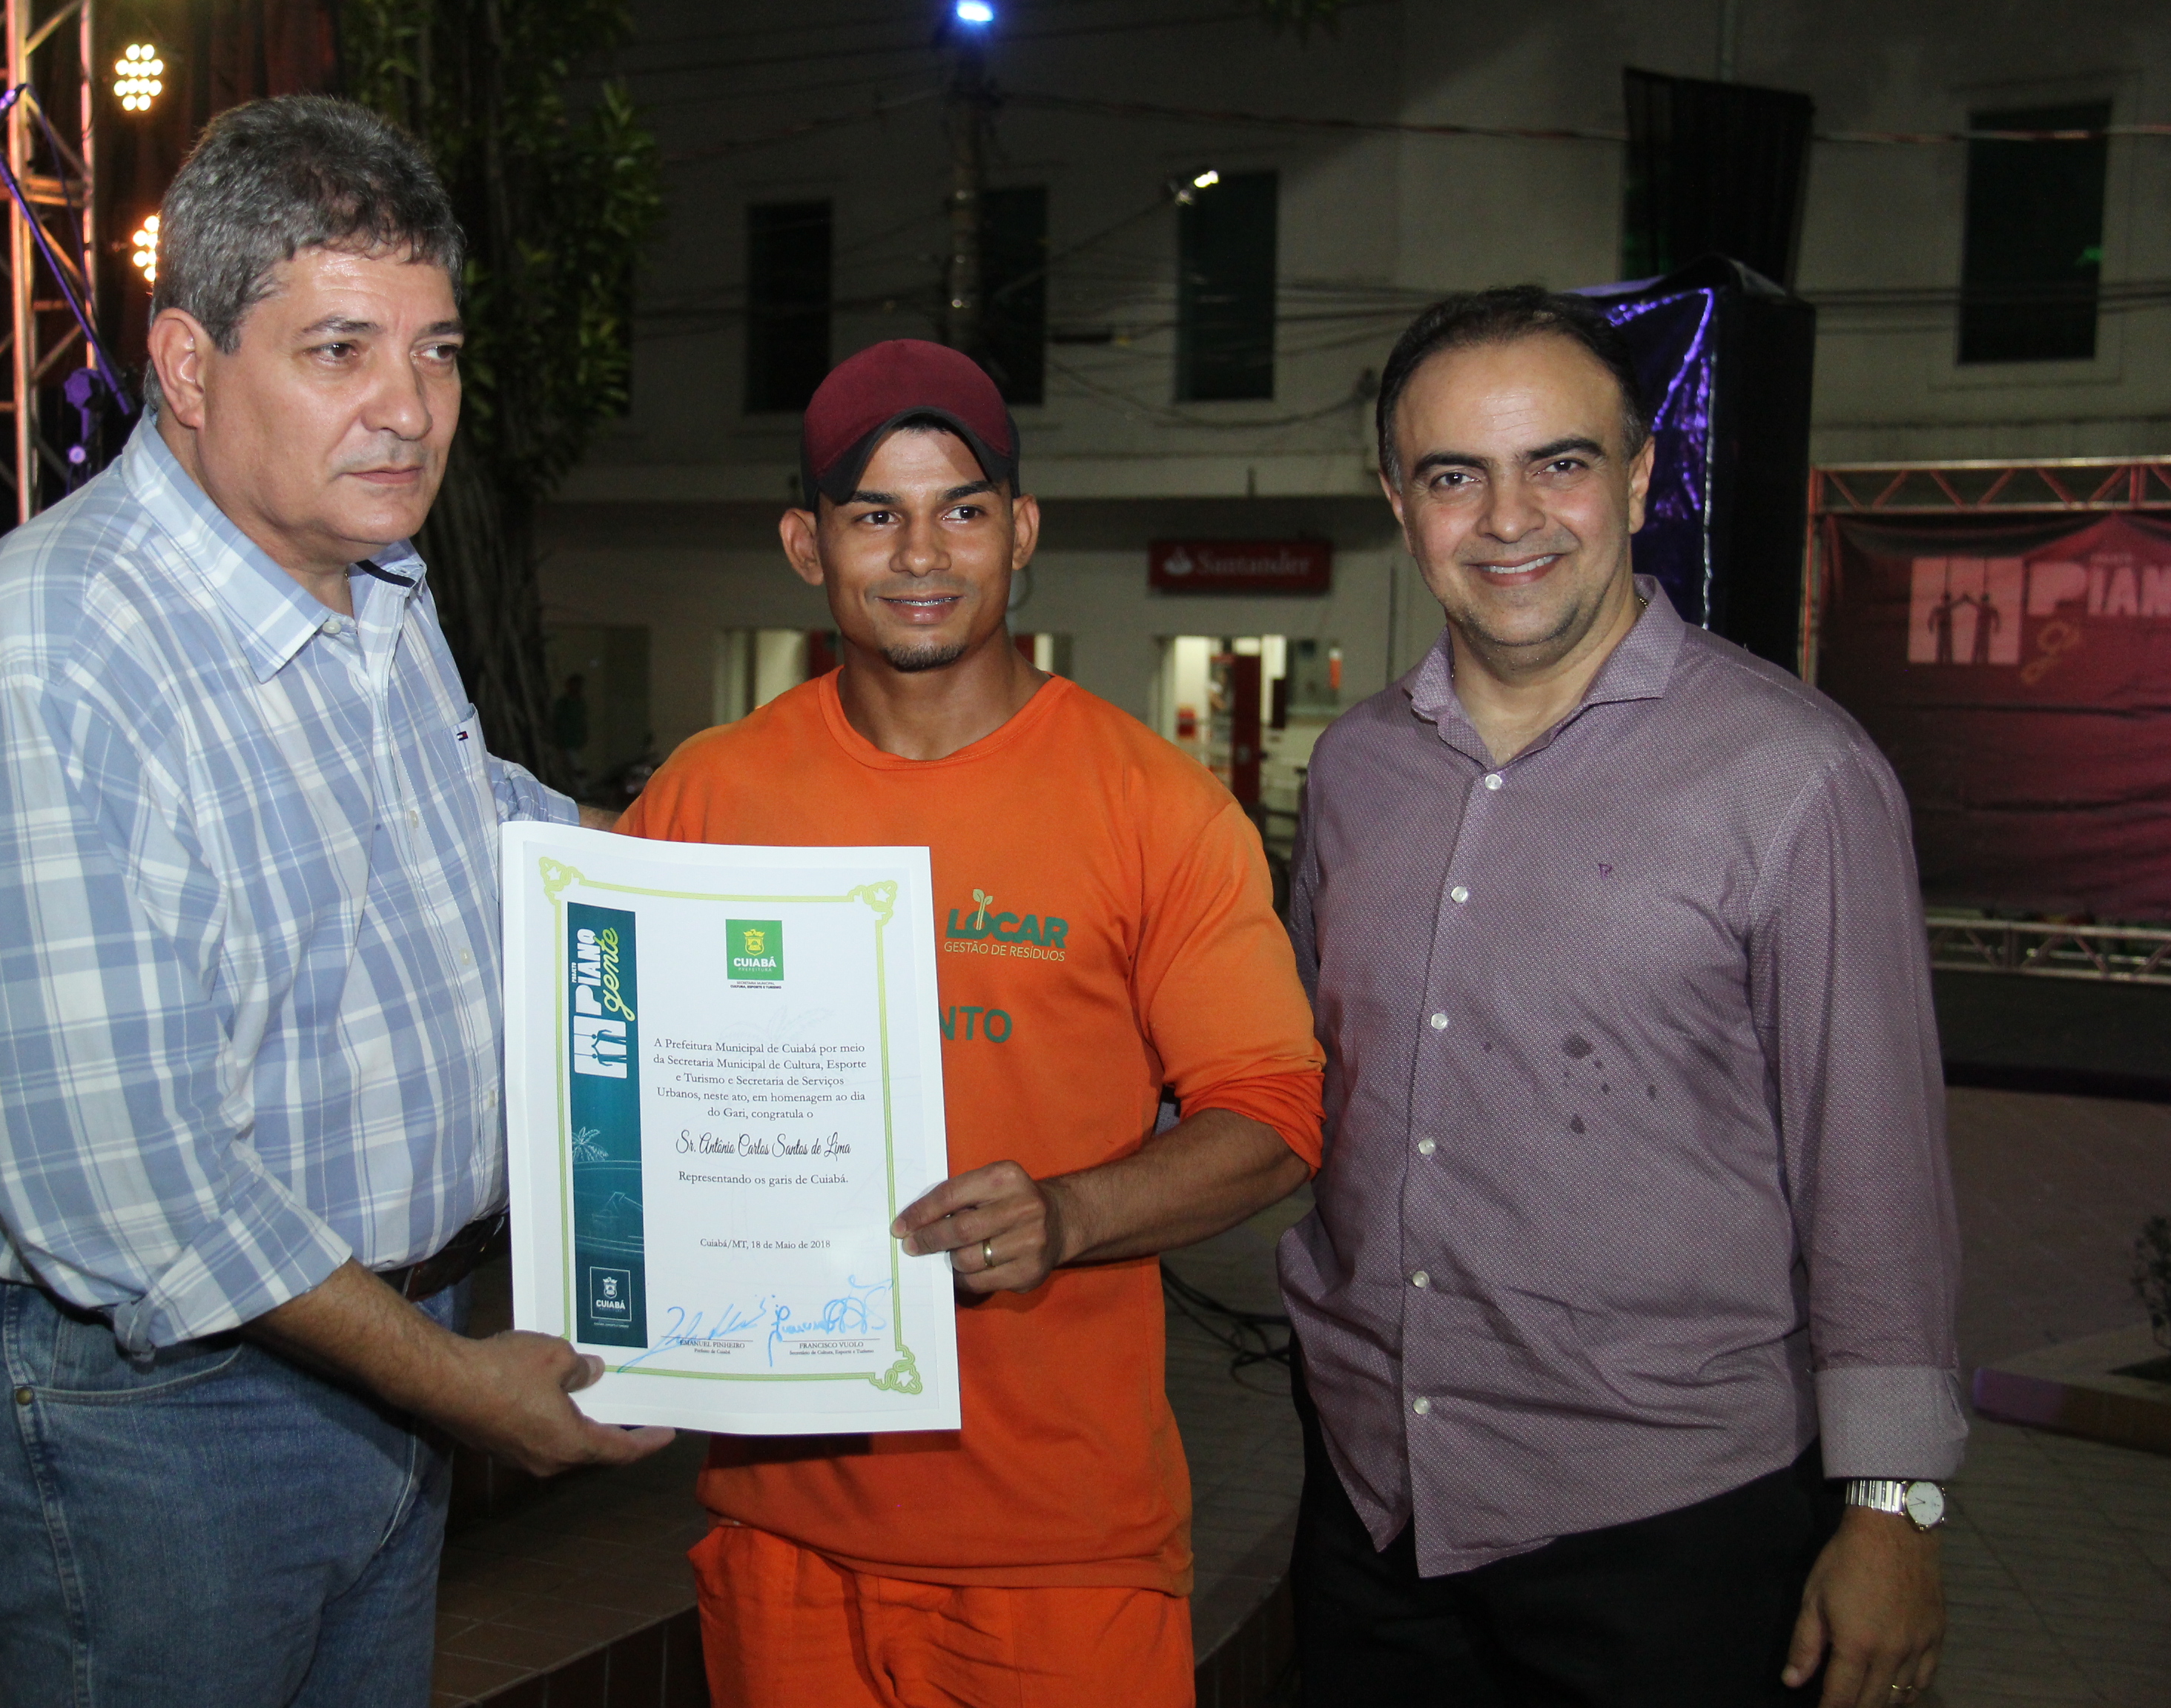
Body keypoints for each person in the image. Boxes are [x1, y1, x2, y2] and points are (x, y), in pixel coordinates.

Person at [0, 96, 666, 1708]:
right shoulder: (55, 652)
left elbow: (483, 829)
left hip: (367, 1352)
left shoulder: (370, 583)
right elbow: (130, 1185)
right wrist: (459, 1384)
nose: (410, 411)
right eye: (339, 352)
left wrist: (770, 880)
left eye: (437, 352)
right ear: (186, 366)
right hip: (158, 1411)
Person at [1281, 285, 1964, 1708]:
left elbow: (1875, 1170)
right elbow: (1294, 1077)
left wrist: (1892, 1508)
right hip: (1370, 1497)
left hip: (1668, 1528)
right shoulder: (1354, 772)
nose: (1509, 519)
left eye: (1560, 463)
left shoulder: (1794, 776)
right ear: (1400, 503)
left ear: (1642, 479)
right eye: (1455, 476)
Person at [619, 338, 1327, 1707]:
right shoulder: (709, 796)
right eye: (873, 514)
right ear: (806, 546)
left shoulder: (1157, 807)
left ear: (1023, 530)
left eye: (962, 509)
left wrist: (1067, 1214)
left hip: (1063, 1551)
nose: (922, 554)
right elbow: (612, 1086)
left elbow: (1274, 1116)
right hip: (783, 1531)